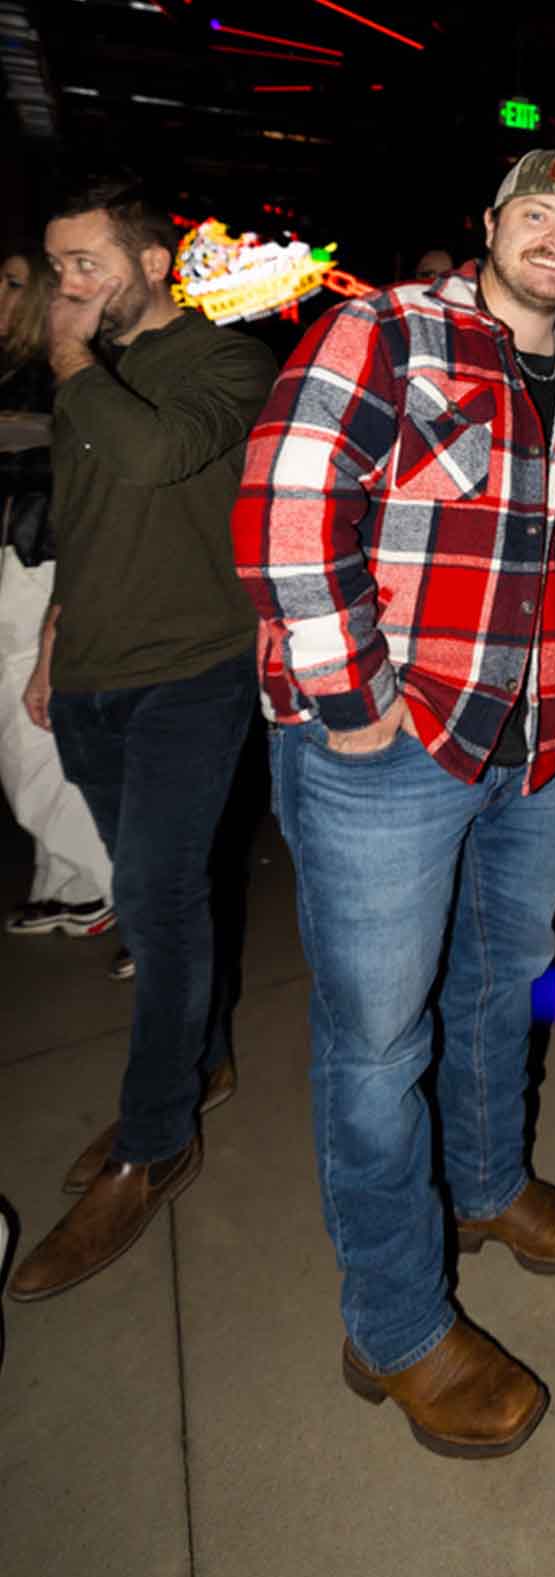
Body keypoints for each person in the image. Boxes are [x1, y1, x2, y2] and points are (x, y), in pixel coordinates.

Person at [233, 149, 555, 1459]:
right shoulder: (387, 327)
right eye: (539, 215)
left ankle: (483, 1186)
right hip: (390, 752)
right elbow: (289, 509)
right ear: (488, 226)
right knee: (375, 1051)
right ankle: (396, 1326)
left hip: (533, 744)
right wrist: (351, 698)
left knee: (496, 987)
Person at [7, 178, 275, 1303]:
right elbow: (86, 517)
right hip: (96, 682)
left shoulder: (226, 361)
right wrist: (54, 644)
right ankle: (197, 1059)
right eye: (58, 266)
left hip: (192, 677)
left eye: (88, 265)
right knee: (157, 895)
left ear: (154, 262)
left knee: (159, 906)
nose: (68, 288)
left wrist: (72, 363)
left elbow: (162, 459)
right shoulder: (86, 383)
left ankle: (154, 1136)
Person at [0, 243, 115, 947]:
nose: (2, 294)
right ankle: (63, 880)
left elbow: (73, 470)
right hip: (26, 559)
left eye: (14, 283)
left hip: (40, 560)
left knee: (27, 724)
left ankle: (103, 876)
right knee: (27, 727)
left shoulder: (56, 374)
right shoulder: (23, 372)